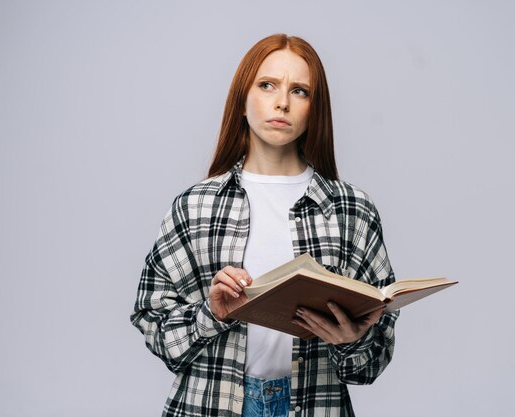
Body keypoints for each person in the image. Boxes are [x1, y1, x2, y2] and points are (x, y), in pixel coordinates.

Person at [131, 33, 399, 417]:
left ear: (315, 108)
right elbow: (152, 321)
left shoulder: (351, 210)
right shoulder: (195, 206)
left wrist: (351, 341)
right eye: (267, 85)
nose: (282, 102)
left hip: (315, 405)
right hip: (211, 405)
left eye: (300, 91)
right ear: (243, 99)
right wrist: (212, 314)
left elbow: (372, 362)